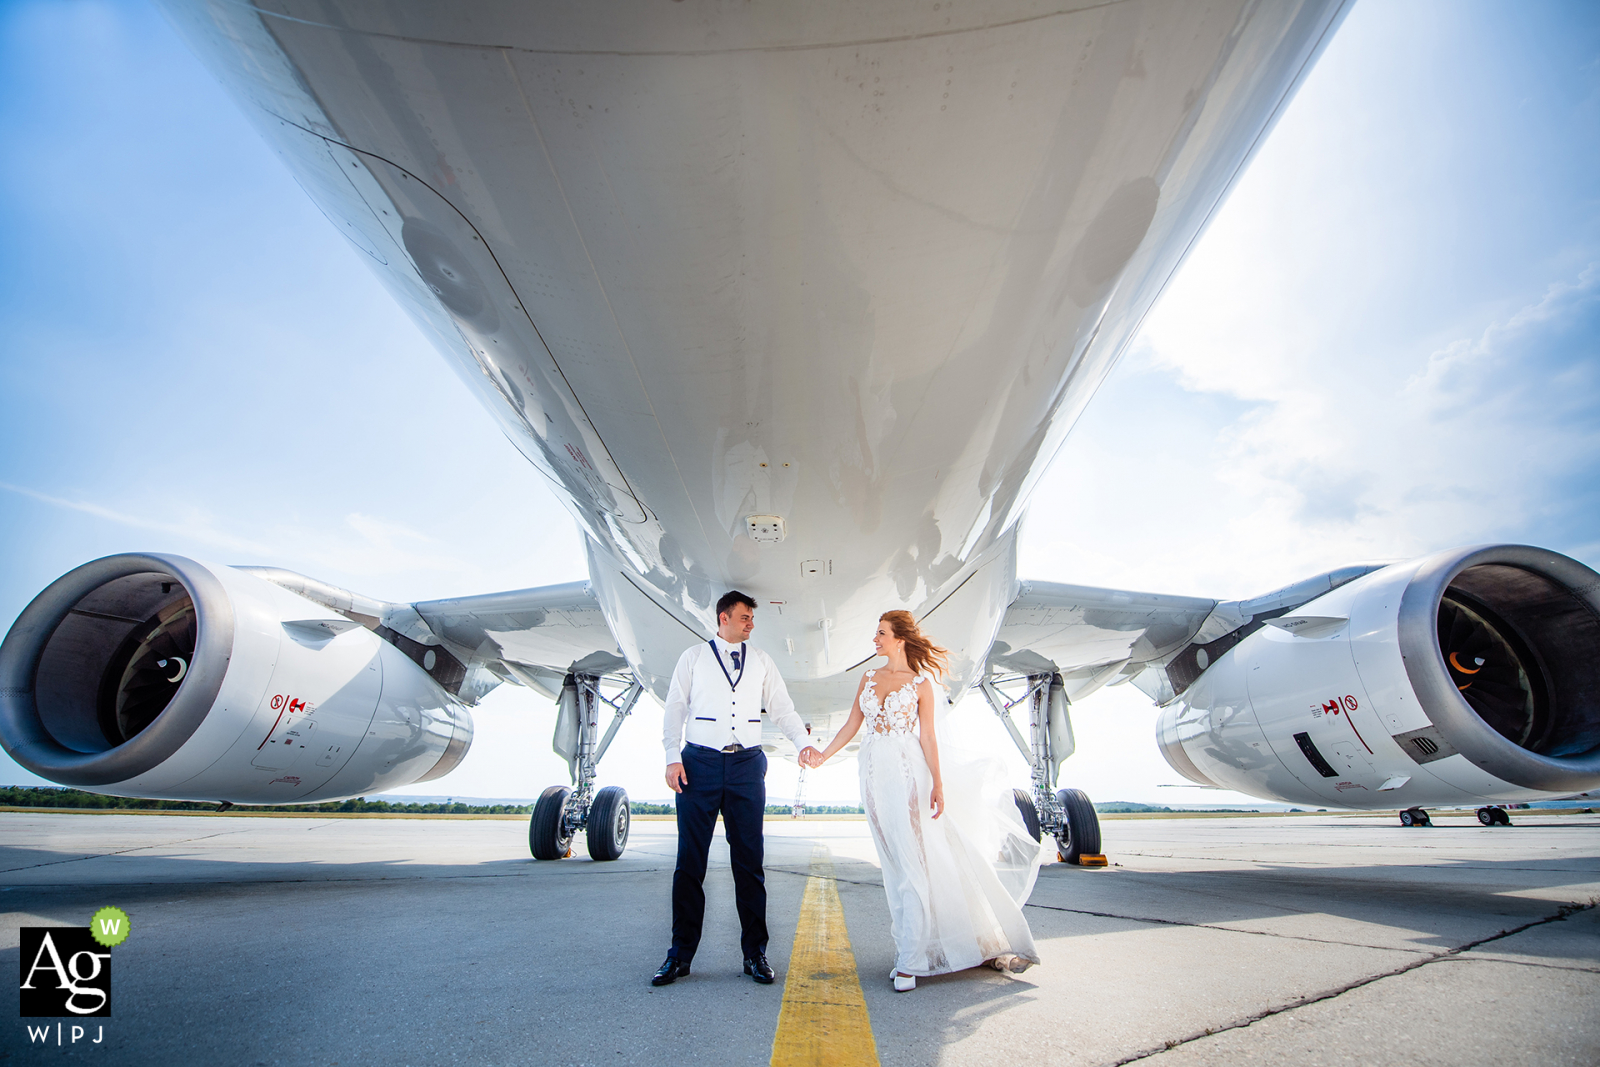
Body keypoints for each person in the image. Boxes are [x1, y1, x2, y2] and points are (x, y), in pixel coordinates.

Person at [805, 610, 1043, 992]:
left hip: (907, 772)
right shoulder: (868, 678)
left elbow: (928, 737)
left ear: (899, 639)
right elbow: (853, 725)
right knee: (893, 863)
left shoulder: (920, 685)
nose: (875, 640)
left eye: (881, 633)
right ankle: (915, 948)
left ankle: (910, 962)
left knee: (914, 860)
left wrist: (938, 783)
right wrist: (822, 755)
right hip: (871, 774)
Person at [653, 590, 823, 987]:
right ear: (723, 617)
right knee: (689, 864)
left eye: (751, 618)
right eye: (745, 617)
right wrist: (670, 756)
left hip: (747, 765)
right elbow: (675, 707)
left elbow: (782, 708)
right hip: (699, 764)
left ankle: (755, 955)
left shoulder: (762, 661)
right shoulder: (693, 658)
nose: (751, 624)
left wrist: (803, 744)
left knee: (749, 864)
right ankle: (679, 956)